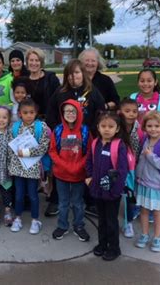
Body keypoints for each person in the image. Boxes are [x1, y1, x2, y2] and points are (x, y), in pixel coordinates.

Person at [46, 59, 105, 217]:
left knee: (86, 168)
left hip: (86, 138)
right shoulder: (60, 92)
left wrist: (94, 132)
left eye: (77, 73)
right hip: (64, 138)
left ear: (83, 74)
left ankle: (90, 201)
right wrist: (56, 131)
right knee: (62, 168)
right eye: (70, 74)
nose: (73, 77)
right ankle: (56, 200)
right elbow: (51, 114)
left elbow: (101, 112)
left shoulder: (92, 91)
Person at [85, 111, 129, 261]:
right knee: (101, 219)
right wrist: (90, 177)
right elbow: (89, 160)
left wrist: (115, 191)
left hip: (112, 193)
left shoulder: (119, 146)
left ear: (117, 129)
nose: (107, 129)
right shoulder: (96, 143)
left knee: (111, 221)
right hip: (97, 189)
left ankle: (114, 248)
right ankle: (102, 244)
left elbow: (122, 171)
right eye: (103, 126)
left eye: (111, 126)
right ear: (98, 127)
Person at [49, 99, 92, 242]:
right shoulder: (58, 130)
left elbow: (89, 153)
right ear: (62, 113)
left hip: (79, 175)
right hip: (61, 174)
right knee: (63, 202)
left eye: (73, 111)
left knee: (78, 202)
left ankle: (79, 225)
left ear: (79, 112)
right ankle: (62, 225)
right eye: (67, 111)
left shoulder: (85, 131)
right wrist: (65, 166)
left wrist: (77, 166)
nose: (70, 114)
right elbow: (53, 151)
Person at [8, 98, 50, 235]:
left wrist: (27, 152)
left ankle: (35, 220)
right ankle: (18, 218)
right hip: (18, 168)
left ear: (36, 112)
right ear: (20, 113)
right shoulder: (15, 127)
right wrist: (10, 165)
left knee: (33, 195)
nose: (28, 115)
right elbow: (11, 147)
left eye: (31, 112)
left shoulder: (41, 127)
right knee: (19, 195)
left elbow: (44, 146)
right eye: (25, 112)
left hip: (32, 167)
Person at [134, 111, 160, 253]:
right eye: (149, 126)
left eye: (157, 126)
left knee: (156, 212)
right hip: (143, 182)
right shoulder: (145, 139)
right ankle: (144, 235)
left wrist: (151, 156)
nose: (153, 129)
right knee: (143, 211)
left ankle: (157, 237)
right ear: (144, 127)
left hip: (156, 185)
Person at [118, 97, 143, 238]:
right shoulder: (115, 127)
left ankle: (128, 222)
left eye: (134, 111)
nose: (131, 114)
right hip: (117, 167)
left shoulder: (138, 129)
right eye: (127, 111)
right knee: (115, 194)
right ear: (120, 112)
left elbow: (140, 147)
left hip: (133, 167)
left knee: (130, 196)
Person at [131, 69, 160, 137]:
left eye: (149, 81)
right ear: (138, 82)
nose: (145, 83)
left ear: (155, 82)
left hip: (155, 142)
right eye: (142, 81)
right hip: (134, 141)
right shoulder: (132, 99)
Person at [26, 48, 60, 120]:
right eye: (31, 60)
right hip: (28, 120)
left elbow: (58, 100)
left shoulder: (51, 79)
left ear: (41, 62)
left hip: (47, 120)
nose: (34, 63)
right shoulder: (24, 80)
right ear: (27, 62)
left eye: (37, 60)